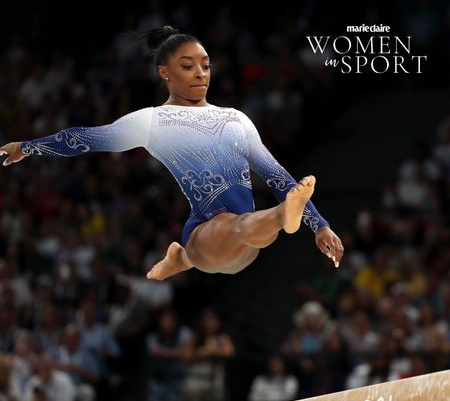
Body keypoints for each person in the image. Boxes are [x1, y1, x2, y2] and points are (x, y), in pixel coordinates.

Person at [0, 26, 344, 280]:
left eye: (205, 65)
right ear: (164, 72)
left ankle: (184, 258)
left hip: (246, 247)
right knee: (238, 226)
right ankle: (281, 214)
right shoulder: (152, 121)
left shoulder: (236, 119)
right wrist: (27, 147)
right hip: (206, 232)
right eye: (187, 65)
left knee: (248, 230)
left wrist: (320, 227)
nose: (200, 73)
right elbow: (86, 138)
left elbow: (278, 176)